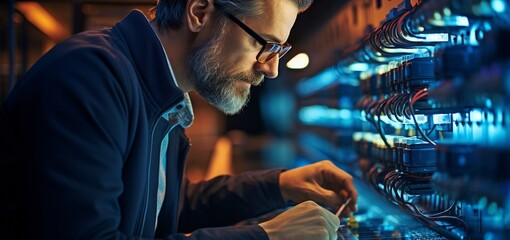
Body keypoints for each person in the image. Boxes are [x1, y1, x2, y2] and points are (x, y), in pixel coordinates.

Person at [0, 0, 358, 239]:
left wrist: (279, 185)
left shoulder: (155, 89)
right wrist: (265, 235)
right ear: (200, 12)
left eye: (279, 50)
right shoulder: (90, 76)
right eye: (263, 44)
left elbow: (167, 204)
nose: (272, 68)